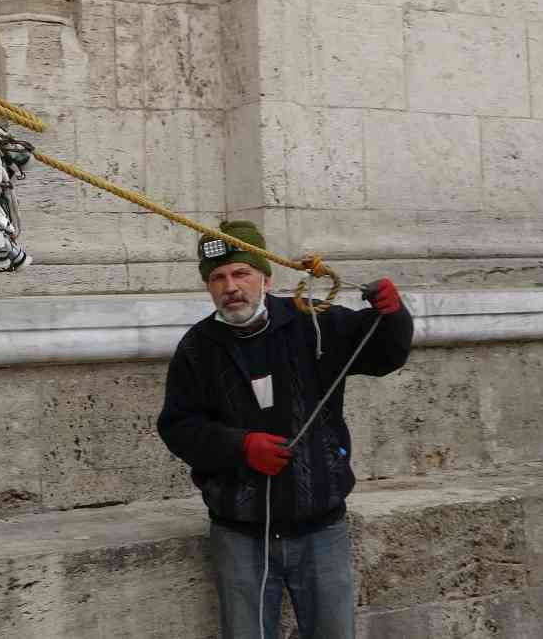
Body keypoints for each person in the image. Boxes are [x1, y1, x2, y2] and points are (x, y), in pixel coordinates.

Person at [157, 220, 413, 639]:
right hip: (240, 535)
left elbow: (384, 354)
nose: (231, 286)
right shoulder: (197, 348)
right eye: (218, 278)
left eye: (241, 273)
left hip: (321, 528)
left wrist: (394, 314)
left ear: (265, 277)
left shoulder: (314, 322)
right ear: (208, 287)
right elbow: (178, 426)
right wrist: (240, 446)